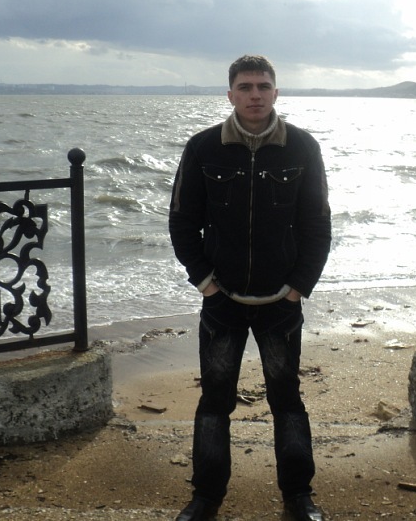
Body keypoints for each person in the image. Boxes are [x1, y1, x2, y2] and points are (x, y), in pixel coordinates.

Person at [168, 55, 332, 521]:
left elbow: (318, 224)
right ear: (230, 95)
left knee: (286, 398)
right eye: (245, 87)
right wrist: (205, 283)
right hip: (222, 301)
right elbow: (182, 221)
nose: (254, 95)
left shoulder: (303, 147)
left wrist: (298, 287)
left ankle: (298, 496)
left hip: (281, 301)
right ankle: (206, 497)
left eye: (262, 86)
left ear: (276, 92)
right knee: (214, 400)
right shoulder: (203, 147)